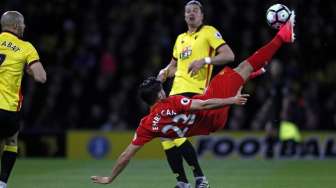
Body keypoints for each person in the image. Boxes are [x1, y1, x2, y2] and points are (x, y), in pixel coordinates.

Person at [90, 11, 295, 186]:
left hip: (209, 123)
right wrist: (231, 101)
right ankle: (282, 37)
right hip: (211, 112)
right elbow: (203, 104)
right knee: (243, 66)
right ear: (160, 94)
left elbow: (127, 155)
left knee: (232, 75)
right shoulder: (173, 102)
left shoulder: (146, 125)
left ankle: (249, 75)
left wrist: (110, 178)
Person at [156, 1, 235, 187]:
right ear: (184, 16)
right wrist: (164, 71)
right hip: (174, 92)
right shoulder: (180, 39)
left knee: (175, 131)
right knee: (165, 135)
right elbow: (175, 65)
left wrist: (205, 60)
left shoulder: (208, 32)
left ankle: (199, 178)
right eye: (188, 11)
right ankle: (183, 181)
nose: (191, 13)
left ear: (201, 15)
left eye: (195, 11)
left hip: (195, 91)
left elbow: (229, 55)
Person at [0, 11, 47, 188]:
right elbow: (41, 77)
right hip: (8, 109)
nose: (25, 27)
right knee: (11, 141)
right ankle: (2, 183)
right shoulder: (25, 47)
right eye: (23, 24)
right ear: (16, 26)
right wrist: (28, 69)